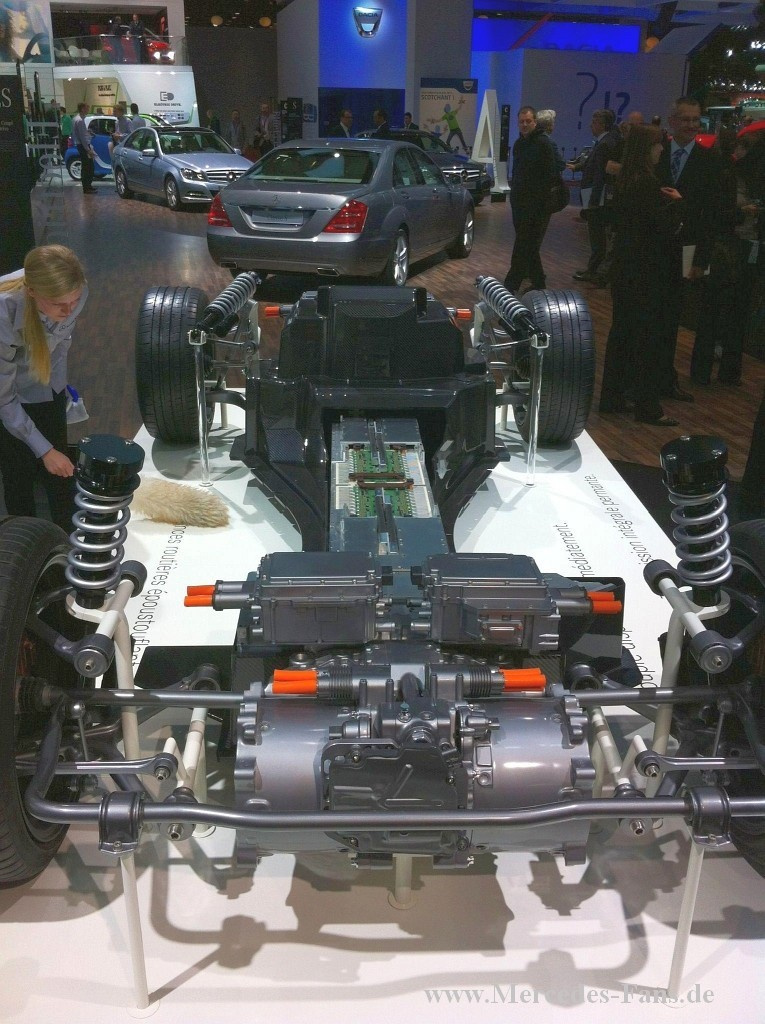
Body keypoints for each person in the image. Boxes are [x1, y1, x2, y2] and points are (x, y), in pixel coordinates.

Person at [599, 125, 684, 426]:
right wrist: (677, 205)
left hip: (625, 268)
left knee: (622, 333)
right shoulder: (648, 184)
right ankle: (647, 406)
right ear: (647, 149)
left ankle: (612, 396)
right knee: (646, 338)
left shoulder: (626, 181)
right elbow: (662, 230)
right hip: (646, 271)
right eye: (658, 145)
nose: (661, 150)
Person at [0, 246, 87, 532]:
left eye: (74, 301)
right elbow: (5, 400)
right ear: (32, 292)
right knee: (18, 475)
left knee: (60, 476)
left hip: (44, 384)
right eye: (59, 304)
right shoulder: (3, 312)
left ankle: (66, 537)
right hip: (5, 391)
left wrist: (59, 392)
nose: (69, 310)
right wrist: (44, 450)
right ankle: (22, 540)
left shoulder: (76, 292)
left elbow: (61, 344)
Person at [655, 96, 722, 400]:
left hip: (686, 249)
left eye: (696, 120)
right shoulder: (656, 154)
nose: (692, 125)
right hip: (653, 247)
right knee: (650, 316)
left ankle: (665, 379)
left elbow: (711, 215)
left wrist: (701, 259)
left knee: (673, 317)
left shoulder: (710, 161)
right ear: (672, 121)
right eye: (685, 119)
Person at [503, 106, 558, 293]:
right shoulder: (519, 144)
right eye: (521, 122)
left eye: (528, 121)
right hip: (519, 203)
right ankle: (539, 283)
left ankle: (510, 287)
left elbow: (550, 174)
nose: (525, 124)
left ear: (535, 122)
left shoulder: (543, 143)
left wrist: (539, 200)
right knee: (529, 246)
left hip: (535, 205)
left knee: (523, 245)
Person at [570, 109, 621, 283]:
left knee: (597, 235)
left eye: (594, 122)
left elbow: (600, 174)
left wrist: (593, 200)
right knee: (598, 235)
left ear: (601, 124)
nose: (591, 125)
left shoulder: (605, 144)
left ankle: (594, 270)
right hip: (596, 194)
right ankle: (595, 269)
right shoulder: (607, 141)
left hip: (595, 195)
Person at [72, 102, 97, 194]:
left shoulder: (76, 119)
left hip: (81, 145)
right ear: (82, 109)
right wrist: (88, 149)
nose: (88, 110)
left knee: (87, 166)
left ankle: (88, 186)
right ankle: (87, 187)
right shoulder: (80, 121)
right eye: (87, 108)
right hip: (83, 146)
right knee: (88, 167)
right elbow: (82, 137)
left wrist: (87, 131)